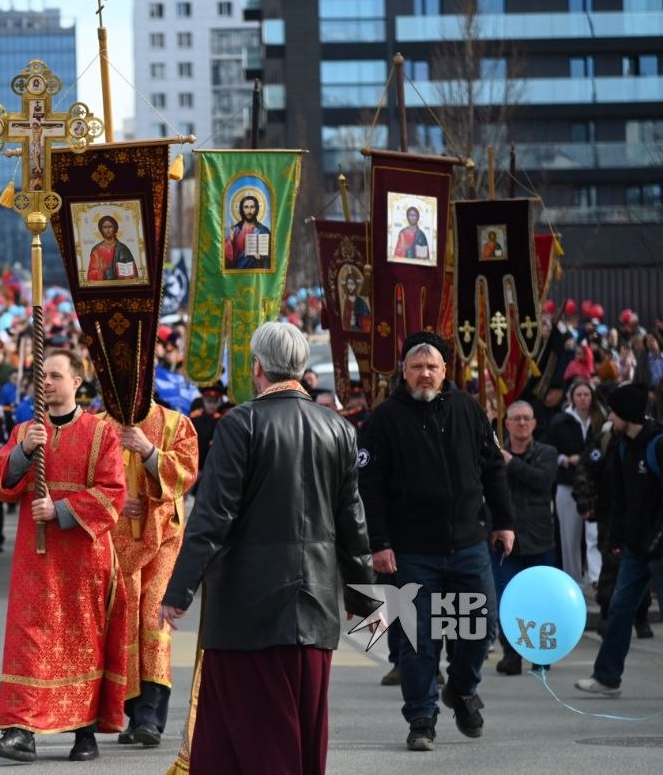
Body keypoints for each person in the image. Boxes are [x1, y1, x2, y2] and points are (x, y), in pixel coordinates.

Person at [159, 323, 376, 774]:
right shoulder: (338, 428)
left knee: (249, 744)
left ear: (256, 366)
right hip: (315, 609)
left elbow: (212, 516)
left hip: (247, 613)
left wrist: (177, 592)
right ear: (299, 367)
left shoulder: (242, 423)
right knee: (300, 737)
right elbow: (352, 521)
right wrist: (362, 597)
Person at [358, 331, 514, 751]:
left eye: (432, 367)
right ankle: (421, 719)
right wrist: (380, 542)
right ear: (404, 373)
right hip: (410, 552)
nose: (424, 374)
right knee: (416, 640)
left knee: (479, 629)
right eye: (416, 367)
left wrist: (504, 522)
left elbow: (494, 469)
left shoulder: (468, 409)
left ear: (446, 371)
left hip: (468, 545)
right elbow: (368, 487)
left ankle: (462, 689)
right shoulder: (383, 419)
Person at [0, 349, 128, 764]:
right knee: (28, 642)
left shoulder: (102, 434)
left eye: (56, 375)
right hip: (36, 560)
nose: (46, 382)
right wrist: (23, 452)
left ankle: (83, 731)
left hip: (82, 560)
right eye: (40, 375)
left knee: (80, 643)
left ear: (76, 382)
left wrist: (61, 510)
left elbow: (114, 493)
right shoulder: (27, 430)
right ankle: (20, 732)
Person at [106, 401, 198, 748]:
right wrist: (115, 502)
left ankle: (150, 716)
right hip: (116, 542)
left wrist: (148, 451)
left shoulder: (176, 423)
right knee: (122, 621)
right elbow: (86, 478)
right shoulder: (97, 424)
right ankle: (129, 712)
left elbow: (186, 473)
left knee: (152, 620)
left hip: (162, 538)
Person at [575, 384, 663, 697]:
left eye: (614, 410)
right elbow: (621, 499)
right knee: (618, 609)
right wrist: (616, 539)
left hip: (658, 548)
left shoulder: (657, 443)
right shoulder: (622, 444)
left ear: (627, 412)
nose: (609, 416)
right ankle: (607, 677)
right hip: (635, 549)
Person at [494, 401, 559, 675]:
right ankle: (511, 654)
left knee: (540, 601)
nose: (521, 423)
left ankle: (541, 654)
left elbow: (542, 481)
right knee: (507, 601)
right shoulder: (494, 456)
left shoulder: (547, 452)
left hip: (539, 539)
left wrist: (511, 463)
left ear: (533, 423)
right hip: (505, 543)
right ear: (506, 423)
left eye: (526, 419)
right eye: (516, 419)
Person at [543, 378, 601, 584]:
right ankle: (573, 580)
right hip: (567, 483)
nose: (583, 399)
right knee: (569, 537)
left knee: (594, 534)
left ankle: (596, 577)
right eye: (579, 395)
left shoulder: (598, 421)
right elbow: (549, 448)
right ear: (572, 398)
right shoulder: (561, 421)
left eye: (586, 395)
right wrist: (563, 460)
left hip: (593, 486)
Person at [223, 194, 271, 269]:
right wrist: (230, 241)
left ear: (257, 209)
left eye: (252, 207)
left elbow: (270, 258)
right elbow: (225, 258)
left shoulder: (264, 231)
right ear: (242, 209)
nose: (249, 211)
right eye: (246, 207)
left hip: (255, 276)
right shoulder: (235, 230)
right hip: (237, 275)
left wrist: (262, 258)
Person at [86, 215, 138, 282]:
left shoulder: (123, 249)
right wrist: (101, 270)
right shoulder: (96, 250)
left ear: (115, 229)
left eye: (110, 227)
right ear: (101, 230)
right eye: (104, 227)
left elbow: (131, 273)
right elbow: (90, 275)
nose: (107, 230)